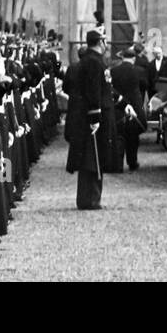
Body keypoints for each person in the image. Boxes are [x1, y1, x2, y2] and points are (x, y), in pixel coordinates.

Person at [63, 30, 109, 210]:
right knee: (93, 159)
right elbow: (94, 91)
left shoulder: (92, 61)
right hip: (91, 117)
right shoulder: (94, 62)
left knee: (90, 159)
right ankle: (90, 199)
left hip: (87, 115)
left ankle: (88, 198)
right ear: (100, 42)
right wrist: (95, 116)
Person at [110, 46, 145, 172]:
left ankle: (118, 165)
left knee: (119, 136)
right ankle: (132, 162)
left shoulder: (114, 71)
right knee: (133, 136)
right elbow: (145, 86)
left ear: (122, 57)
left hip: (119, 106)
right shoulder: (139, 71)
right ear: (134, 58)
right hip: (135, 106)